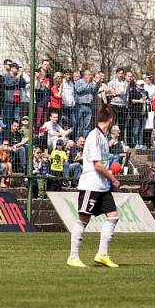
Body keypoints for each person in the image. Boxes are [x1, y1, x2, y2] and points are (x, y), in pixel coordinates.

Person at [67, 104, 122, 268]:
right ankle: (73, 256)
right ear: (111, 119)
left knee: (113, 217)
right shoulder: (95, 136)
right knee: (83, 219)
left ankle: (102, 255)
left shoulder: (103, 137)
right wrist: (113, 179)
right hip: (91, 184)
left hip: (101, 186)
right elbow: (97, 165)